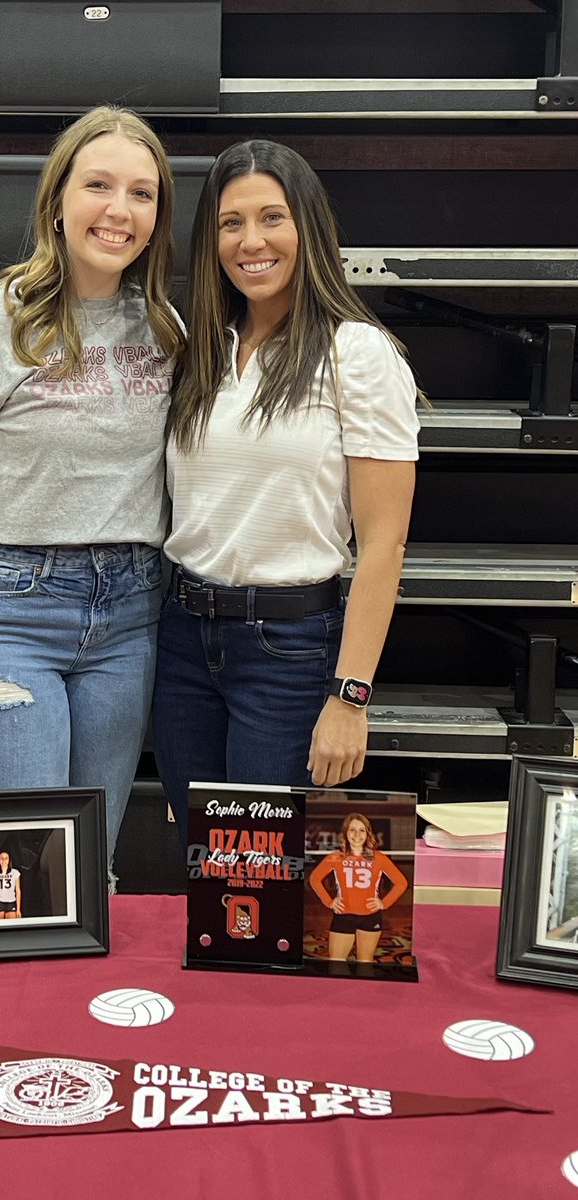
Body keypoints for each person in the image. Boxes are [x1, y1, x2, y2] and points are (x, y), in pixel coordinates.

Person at [0, 107, 184, 890]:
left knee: (85, 873)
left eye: (141, 193)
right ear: (56, 201)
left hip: (128, 617)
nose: (119, 210)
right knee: (22, 869)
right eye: (98, 185)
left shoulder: (166, 327)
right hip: (10, 616)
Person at [152, 141, 420, 842]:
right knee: (202, 860)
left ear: (308, 227)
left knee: (263, 871)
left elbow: (385, 542)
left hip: (289, 652)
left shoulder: (356, 353)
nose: (251, 242)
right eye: (230, 223)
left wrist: (348, 696)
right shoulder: (198, 348)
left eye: (271, 218)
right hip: (181, 640)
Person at [308, 812, 408, 961]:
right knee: (336, 963)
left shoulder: (379, 858)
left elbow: (401, 883)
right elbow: (314, 879)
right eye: (352, 829)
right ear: (346, 833)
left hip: (370, 916)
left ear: (368, 834)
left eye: (362, 830)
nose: (357, 834)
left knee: (365, 964)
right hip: (343, 915)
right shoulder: (335, 857)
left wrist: (384, 903)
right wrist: (329, 902)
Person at [0, 851, 22, 920]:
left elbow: (17, 890)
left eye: (6, 858)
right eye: (2, 858)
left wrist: (18, 909)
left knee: (12, 925)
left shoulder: (15, 872)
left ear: (9, 860)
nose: (4, 860)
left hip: (11, 902)